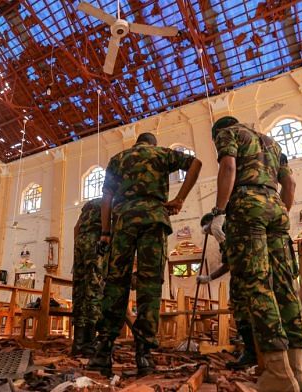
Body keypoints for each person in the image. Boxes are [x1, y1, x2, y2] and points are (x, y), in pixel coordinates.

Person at [87, 132, 202, 376]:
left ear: (137, 142)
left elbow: (106, 196)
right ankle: (144, 354)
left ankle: (103, 350)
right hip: (154, 220)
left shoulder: (118, 158)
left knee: (115, 283)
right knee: (149, 285)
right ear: (153, 144)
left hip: (123, 223)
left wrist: (106, 232)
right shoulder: (161, 154)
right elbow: (196, 163)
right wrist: (179, 198)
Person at [209, 117, 302, 392]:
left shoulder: (228, 133)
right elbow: (290, 186)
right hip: (276, 207)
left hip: (246, 205)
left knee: (257, 283)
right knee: (285, 286)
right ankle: (299, 372)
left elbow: (228, 166)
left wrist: (219, 212)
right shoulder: (272, 143)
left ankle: (278, 373)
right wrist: (280, 213)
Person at [197, 213, 257, 370]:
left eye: (210, 231)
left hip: (248, 276)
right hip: (241, 275)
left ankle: (253, 354)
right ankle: (251, 350)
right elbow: (228, 263)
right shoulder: (223, 233)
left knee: (243, 312)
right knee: (241, 313)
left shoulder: (228, 229)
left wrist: (221, 237)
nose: (211, 235)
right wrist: (209, 278)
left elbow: (235, 256)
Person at [71, 198, 105, 357]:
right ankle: (90, 344)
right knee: (94, 290)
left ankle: (77, 344)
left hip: (80, 243)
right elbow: (109, 228)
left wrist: (79, 245)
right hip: (96, 242)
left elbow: (76, 228)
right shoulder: (108, 203)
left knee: (79, 292)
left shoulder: (88, 206)